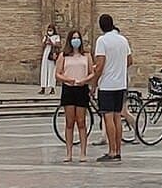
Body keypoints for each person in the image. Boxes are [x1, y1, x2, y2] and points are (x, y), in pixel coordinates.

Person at [90, 13, 133, 163]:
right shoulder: (123, 40)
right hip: (121, 84)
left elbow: (100, 64)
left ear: (101, 26)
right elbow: (129, 60)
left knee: (108, 118)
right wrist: (118, 68)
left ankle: (112, 151)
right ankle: (118, 150)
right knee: (117, 117)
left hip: (107, 85)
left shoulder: (102, 41)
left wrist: (94, 83)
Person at [56, 31, 95, 163]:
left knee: (81, 122)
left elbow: (92, 73)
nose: (76, 40)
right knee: (69, 122)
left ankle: (83, 152)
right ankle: (69, 152)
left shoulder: (87, 56)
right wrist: (68, 79)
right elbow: (58, 73)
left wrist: (85, 80)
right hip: (69, 89)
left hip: (81, 89)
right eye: (73, 38)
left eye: (78, 38)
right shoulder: (64, 56)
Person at [40, 27, 60, 97]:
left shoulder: (56, 37)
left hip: (52, 54)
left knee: (52, 70)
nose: (49, 31)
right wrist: (45, 42)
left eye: (51, 30)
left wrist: (51, 43)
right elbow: (42, 46)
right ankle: (43, 87)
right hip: (46, 54)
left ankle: (52, 88)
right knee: (44, 70)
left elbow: (58, 45)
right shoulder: (46, 36)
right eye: (48, 30)